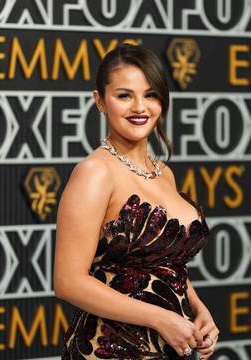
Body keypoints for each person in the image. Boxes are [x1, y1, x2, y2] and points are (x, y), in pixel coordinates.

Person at [54, 44, 219, 359]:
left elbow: (166, 264)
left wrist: (198, 309)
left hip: (171, 346)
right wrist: (160, 318)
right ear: (100, 101)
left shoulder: (164, 173)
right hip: (109, 348)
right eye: (124, 95)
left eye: (151, 94)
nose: (140, 107)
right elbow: (68, 281)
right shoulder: (95, 173)